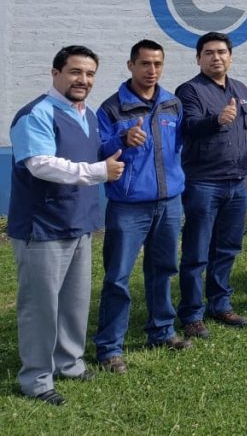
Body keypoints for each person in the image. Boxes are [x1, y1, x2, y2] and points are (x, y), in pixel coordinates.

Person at [8, 46, 124, 405]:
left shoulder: (88, 114)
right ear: (55, 73)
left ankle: (69, 363)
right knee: (41, 307)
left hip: (78, 223)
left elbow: (90, 152)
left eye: (89, 74)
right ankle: (36, 378)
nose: (83, 80)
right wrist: (99, 171)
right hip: (42, 227)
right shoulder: (36, 114)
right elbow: (41, 164)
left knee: (74, 303)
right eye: (75, 72)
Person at [95, 40, 189, 374]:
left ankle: (161, 331)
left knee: (163, 269)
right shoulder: (111, 108)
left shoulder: (172, 104)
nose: (151, 70)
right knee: (118, 277)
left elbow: (179, 146)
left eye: (157, 64)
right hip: (128, 207)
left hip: (168, 202)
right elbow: (97, 151)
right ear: (130, 65)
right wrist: (121, 140)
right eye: (145, 64)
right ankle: (110, 348)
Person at [175, 32, 247, 340]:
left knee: (228, 247)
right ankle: (192, 314)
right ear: (198, 58)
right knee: (197, 251)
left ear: (230, 57)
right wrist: (217, 120)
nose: (216, 57)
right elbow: (189, 126)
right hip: (204, 182)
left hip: (237, 182)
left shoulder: (242, 90)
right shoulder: (189, 91)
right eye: (208, 53)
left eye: (221, 52)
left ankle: (220, 304)